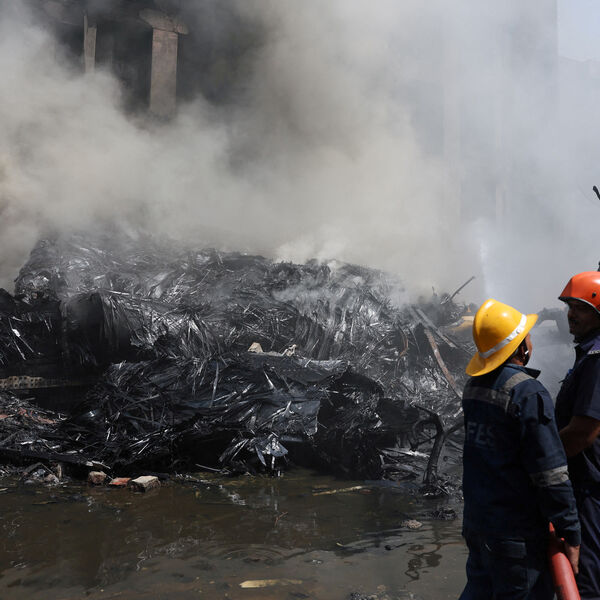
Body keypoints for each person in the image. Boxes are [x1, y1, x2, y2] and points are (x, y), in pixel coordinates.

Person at [459, 298, 580, 599]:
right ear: (520, 347)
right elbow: (550, 473)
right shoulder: (528, 392)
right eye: (527, 335)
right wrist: (570, 530)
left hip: (477, 523)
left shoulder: (474, 387)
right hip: (516, 534)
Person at [556, 271, 600, 599]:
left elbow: (583, 432)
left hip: (590, 489)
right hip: (586, 483)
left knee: (586, 579)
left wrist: (539, 460)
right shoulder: (588, 353)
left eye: (581, 308)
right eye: (570, 306)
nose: (571, 314)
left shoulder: (597, 361)